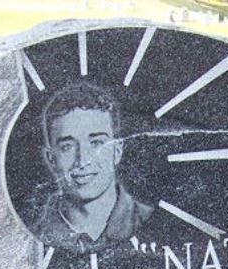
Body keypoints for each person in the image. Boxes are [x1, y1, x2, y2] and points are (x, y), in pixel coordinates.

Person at [32, 83, 153, 253]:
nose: (83, 161)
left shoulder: (153, 222)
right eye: (67, 146)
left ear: (117, 151)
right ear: (51, 159)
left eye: (96, 143)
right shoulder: (32, 238)